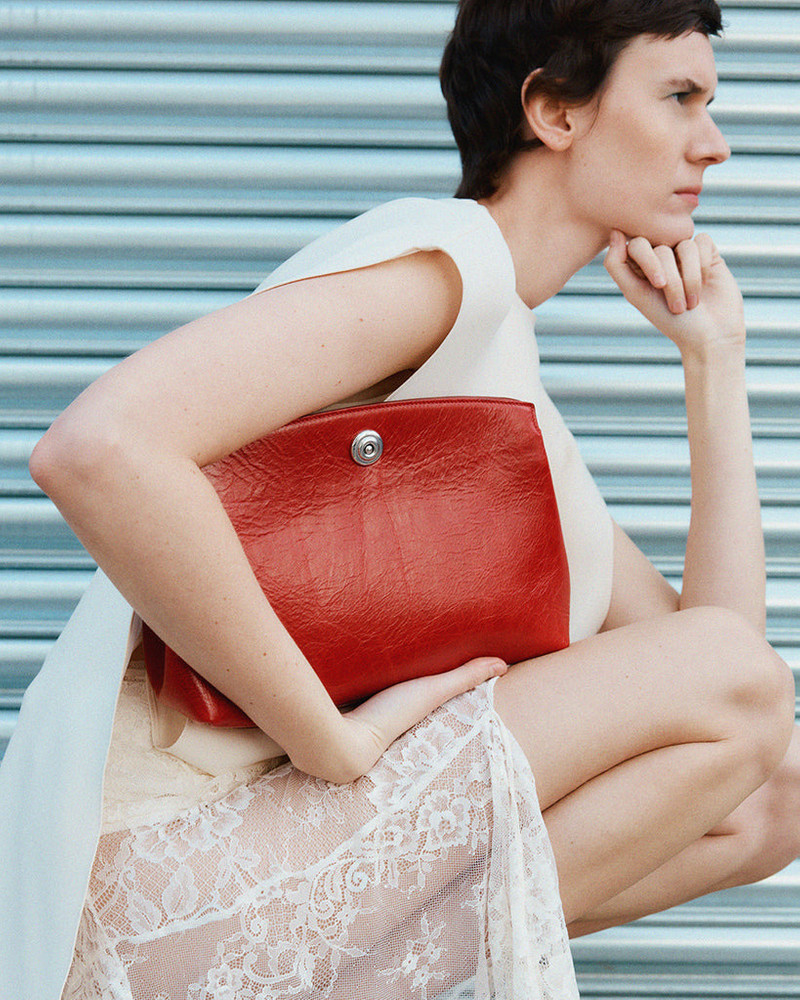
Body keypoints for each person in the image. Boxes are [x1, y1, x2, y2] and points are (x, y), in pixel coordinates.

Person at [1, 0, 798, 997]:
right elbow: (99, 449)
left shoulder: (515, 408)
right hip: (166, 874)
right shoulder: (447, 263)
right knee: (734, 688)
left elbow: (740, 720)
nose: (713, 144)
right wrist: (330, 740)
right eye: (679, 96)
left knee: (773, 802)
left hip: (288, 888)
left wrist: (713, 363)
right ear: (554, 111)